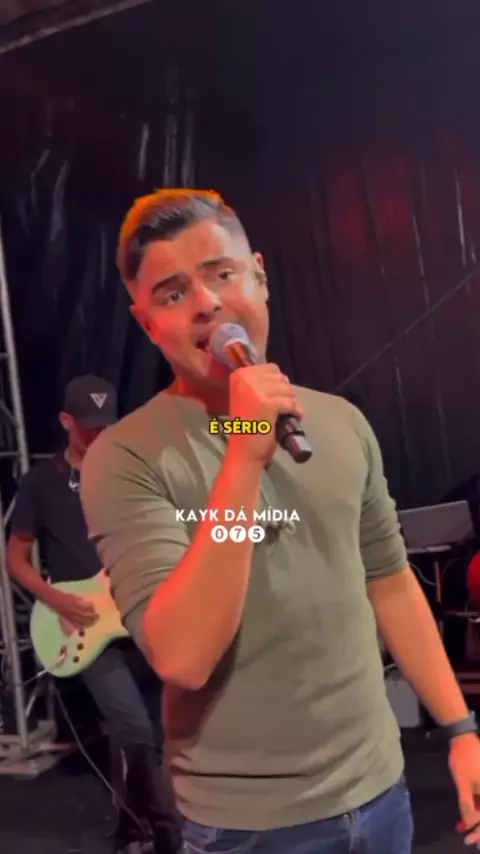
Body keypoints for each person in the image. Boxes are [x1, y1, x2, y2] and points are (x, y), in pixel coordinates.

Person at [80, 190, 480, 854]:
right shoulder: (126, 457)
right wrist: (243, 452)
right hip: (247, 824)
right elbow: (183, 656)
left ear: (259, 276)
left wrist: (461, 728)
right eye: (173, 293)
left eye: (221, 273)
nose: (206, 302)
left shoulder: (341, 423)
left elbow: (389, 581)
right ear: (147, 323)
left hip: (381, 790)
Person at [7, 375, 179, 854]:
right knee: (137, 733)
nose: (100, 434)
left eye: (107, 425)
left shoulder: (133, 472)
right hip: (82, 624)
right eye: (89, 427)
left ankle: (130, 828)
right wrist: (54, 598)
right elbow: (16, 557)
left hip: (139, 618)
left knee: (151, 735)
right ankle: (168, 835)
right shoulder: (41, 483)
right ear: (66, 422)